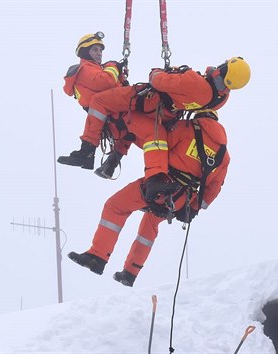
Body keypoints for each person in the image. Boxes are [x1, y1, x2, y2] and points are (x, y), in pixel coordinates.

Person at [67, 110, 230, 287]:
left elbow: (159, 144)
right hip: (181, 200)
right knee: (149, 227)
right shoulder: (223, 155)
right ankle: (129, 274)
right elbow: (213, 189)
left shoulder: (186, 128)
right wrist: (194, 209)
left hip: (160, 185)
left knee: (115, 207)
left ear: (199, 114)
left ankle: (97, 256)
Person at [57, 57, 250, 196]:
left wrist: (162, 71)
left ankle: (87, 150)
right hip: (166, 114)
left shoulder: (196, 84)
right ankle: (115, 163)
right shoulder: (219, 99)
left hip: (147, 100)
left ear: (224, 69)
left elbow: (157, 80)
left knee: (100, 102)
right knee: (138, 128)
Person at [57, 32, 127, 170]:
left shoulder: (97, 70)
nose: (99, 53)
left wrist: (122, 77)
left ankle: (93, 156)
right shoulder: (85, 69)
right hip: (114, 111)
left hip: (114, 111)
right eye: (94, 49)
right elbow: (106, 82)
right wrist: (113, 66)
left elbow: (110, 84)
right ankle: (90, 154)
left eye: (100, 50)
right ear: (84, 52)